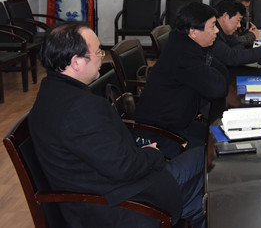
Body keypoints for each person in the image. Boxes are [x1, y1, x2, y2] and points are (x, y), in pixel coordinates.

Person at [28, 23, 206, 227]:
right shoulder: (78, 108)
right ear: (76, 62)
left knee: (200, 198)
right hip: (119, 205)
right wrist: (152, 153)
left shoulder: (51, 94)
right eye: (98, 52)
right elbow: (123, 167)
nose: (102, 57)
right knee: (205, 157)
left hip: (106, 190)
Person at [134, 2, 228, 151]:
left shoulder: (187, 44)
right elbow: (217, 89)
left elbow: (223, 71)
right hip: (158, 134)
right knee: (218, 150)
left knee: (225, 137)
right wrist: (211, 72)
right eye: (212, 26)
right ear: (193, 32)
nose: (217, 30)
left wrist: (211, 72)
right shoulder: (183, 54)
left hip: (179, 124)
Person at [211, 0, 261, 72]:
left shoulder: (226, 31)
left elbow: (238, 47)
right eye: (238, 20)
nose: (239, 25)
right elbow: (232, 57)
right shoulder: (212, 33)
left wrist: (236, 55)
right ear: (225, 16)